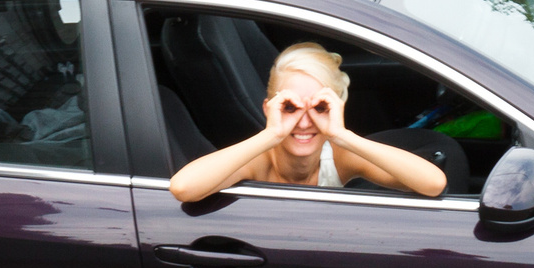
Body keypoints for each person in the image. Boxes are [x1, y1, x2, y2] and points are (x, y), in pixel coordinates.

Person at [167, 42, 448, 203]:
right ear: (269, 109)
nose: (303, 123)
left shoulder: (339, 157)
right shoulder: (259, 160)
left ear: (335, 110)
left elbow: (433, 183)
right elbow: (183, 188)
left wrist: (342, 135)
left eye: (319, 107)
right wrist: (271, 134)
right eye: (290, 107)